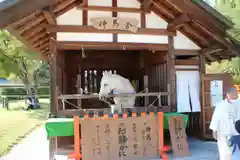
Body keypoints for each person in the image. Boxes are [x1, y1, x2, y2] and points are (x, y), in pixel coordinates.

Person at [209, 87, 240, 160]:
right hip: (223, 133)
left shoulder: (238, 103)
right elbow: (215, 118)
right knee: (224, 154)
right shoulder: (220, 105)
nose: (233, 98)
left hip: (236, 133)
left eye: (235, 96)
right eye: (232, 96)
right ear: (227, 95)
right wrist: (214, 130)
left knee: (235, 154)